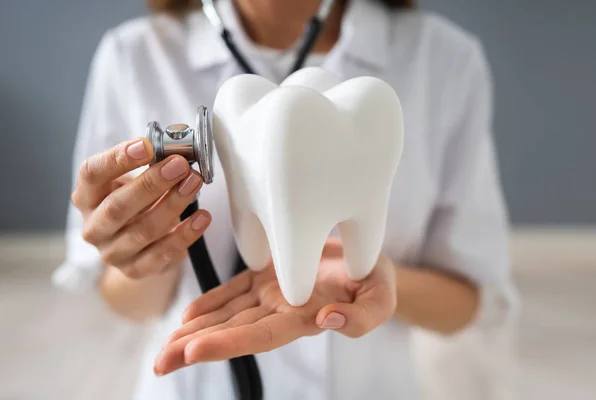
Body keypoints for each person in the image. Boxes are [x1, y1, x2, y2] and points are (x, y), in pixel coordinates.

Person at [52, 0, 520, 399]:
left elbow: (470, 301)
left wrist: (373, 278)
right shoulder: (133, 56)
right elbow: (127, 301)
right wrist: (142, 251)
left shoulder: (444, 59)